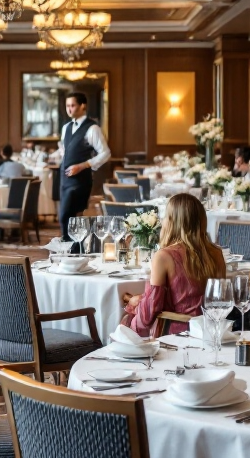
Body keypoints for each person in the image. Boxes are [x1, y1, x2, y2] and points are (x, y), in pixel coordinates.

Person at [123, 194, 227, 336]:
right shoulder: (216, 253)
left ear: (172, 221)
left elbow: (149, 314)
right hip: (212, 332)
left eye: (166, 216)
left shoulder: (164, 256)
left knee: (125, 324)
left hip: (175, 334)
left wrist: (132, 314)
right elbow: (219, 299)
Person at [52, 91, 111, 240]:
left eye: (72, 105)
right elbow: (66, 151)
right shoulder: (66, 127)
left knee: (73, 216)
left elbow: (105, 153)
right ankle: (69, 250)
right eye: (67, 106)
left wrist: (84, 165)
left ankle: (75, 250)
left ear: (82, 106)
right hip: (65, 178)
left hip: (81, 180)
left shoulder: (93, 128)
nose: (69, 109)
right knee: (64, 217)